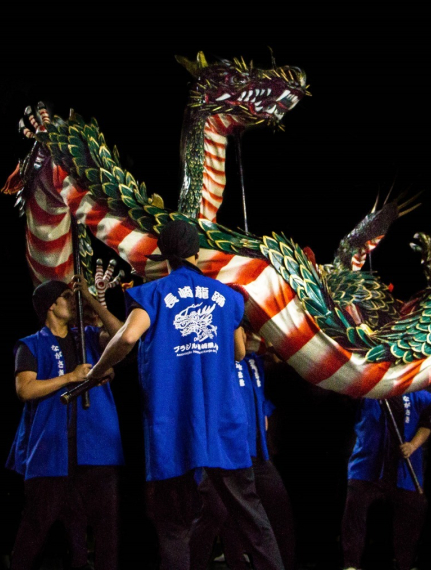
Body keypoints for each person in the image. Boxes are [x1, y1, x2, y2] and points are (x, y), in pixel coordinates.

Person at [86, 220, 284, 570]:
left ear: (165, 257)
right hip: (224, 426)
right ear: (196, 253)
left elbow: (129, 338)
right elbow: (239, 352)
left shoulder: (153, 294)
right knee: (253, 520)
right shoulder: (227, 296)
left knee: (174, 528)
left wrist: (97, 369)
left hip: (174, 426)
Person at [7, 276, 125, 570]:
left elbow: (123, 335)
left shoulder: (85, 337)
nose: (74, 301)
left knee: (106, 529)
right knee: (39, 527)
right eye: (68, 297)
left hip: (96, 447)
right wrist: (70, 377)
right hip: (52, 450)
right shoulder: (31, 345)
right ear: (51, 306)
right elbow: (25, 389)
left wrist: (89, 295)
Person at [189, 350, 296, 570]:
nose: (247, 336)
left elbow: (262, 386)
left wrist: (264, 412)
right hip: (224, 453)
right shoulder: (216, 358)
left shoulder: (254, 361)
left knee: (277, 508)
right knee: (213, 515)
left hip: (257, 455)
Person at [340, 390, 431, 570]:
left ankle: (406, 564)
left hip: (404, 470)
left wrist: (413, 445)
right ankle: (351, 564)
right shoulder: (369, 390)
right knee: (354, 512)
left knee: (411, 516)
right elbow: (349, 405)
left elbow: (427, 422)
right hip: (367, 465)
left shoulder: (418, 393)